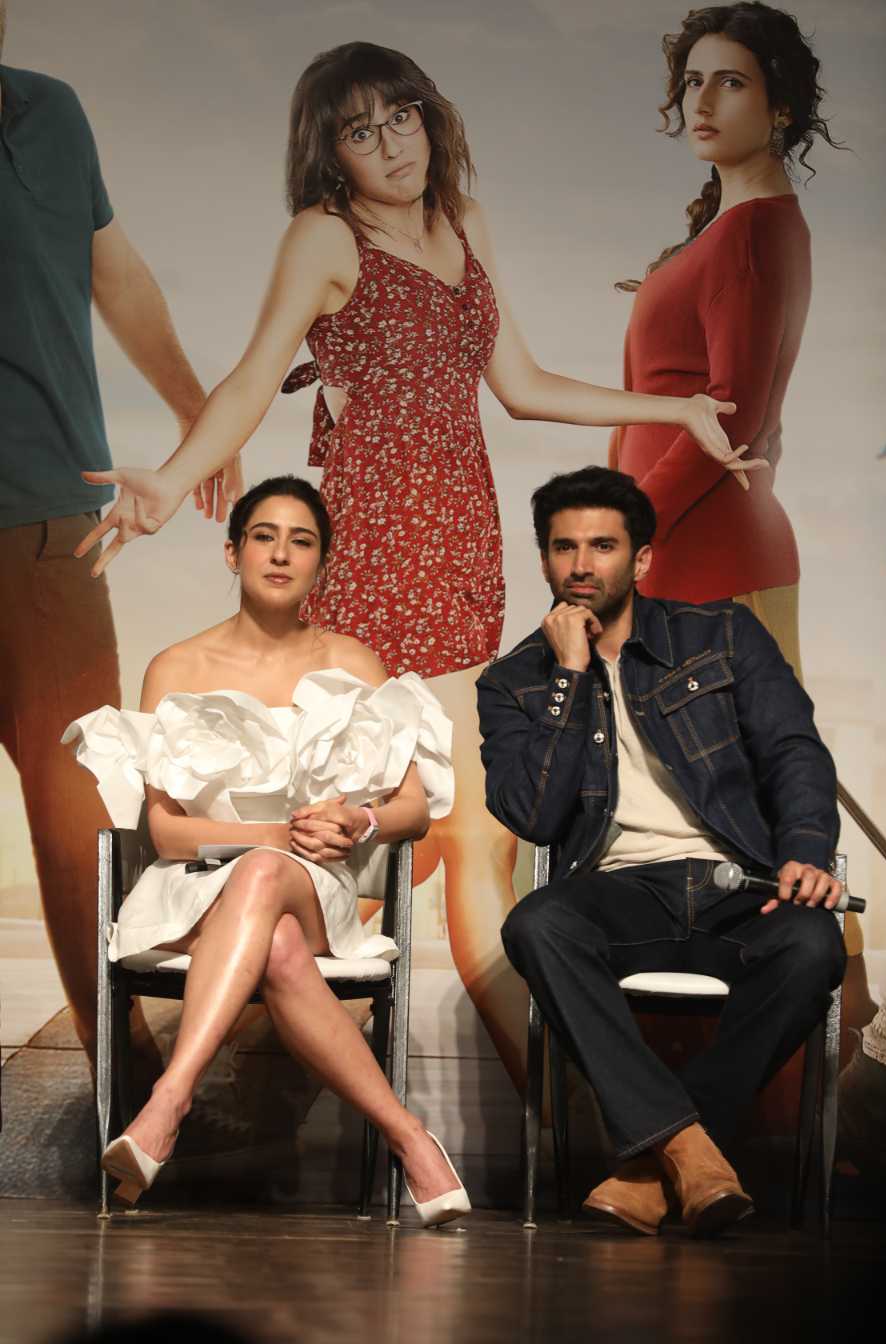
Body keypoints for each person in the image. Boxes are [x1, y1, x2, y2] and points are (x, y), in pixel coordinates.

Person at [70, 42, 756, 1093]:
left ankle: (550, 1116)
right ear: (329, 153)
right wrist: (169, 479)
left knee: (458, 841)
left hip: (462, 555)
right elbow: (253, 379)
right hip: (371, 558)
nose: (391, 144)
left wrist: (676, 409)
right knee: (365, 837)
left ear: (430, 117)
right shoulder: (323, 237)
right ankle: (271, 1077)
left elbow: (520, 385)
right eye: (360, 130)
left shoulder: (462, 222)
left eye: (403, 116)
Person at [63, 475, 469, 1226]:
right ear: (233, 552)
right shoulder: (177, 666)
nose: (281, 554)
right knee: (274, 937)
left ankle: (168, 1101)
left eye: (301, 541)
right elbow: (166, 833)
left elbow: (413, 808)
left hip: (315, 890)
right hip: (192, 889)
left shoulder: (355, 663)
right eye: (263, 536)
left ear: (321, 564)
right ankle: (410, 1137)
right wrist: (277, 837)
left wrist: (358, 821)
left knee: (267, 884)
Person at [609, 0, 869, 1112]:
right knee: (708, 814)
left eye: (731, 82)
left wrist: (619, 538)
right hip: (682, 547)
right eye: (693, 81)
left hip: (709, 555)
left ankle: (849, 1070)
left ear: (783, 106)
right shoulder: (732, 231)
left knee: (766, 816)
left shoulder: (760, 231)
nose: (702, 102)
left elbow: (737, 419)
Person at [476, 466, 846, 1237]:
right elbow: (533, 816)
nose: (582, 565)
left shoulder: (723, 634)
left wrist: (807, 849)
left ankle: (653, 1163)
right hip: (621, 892)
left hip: (740, 883)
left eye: (602, 546)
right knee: (537, 924)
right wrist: (569, 678)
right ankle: (693, 1153)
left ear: (641, 558)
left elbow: (793, 750)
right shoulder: (514, 682)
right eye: (564, 548)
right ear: (543, 560)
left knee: (813, 945)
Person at [0, 4, 238, 1069]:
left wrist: (197, 412)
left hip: (49, 520)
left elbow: (118, 275)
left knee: (82, 807)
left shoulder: (50, 112)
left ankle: (124, 1069)